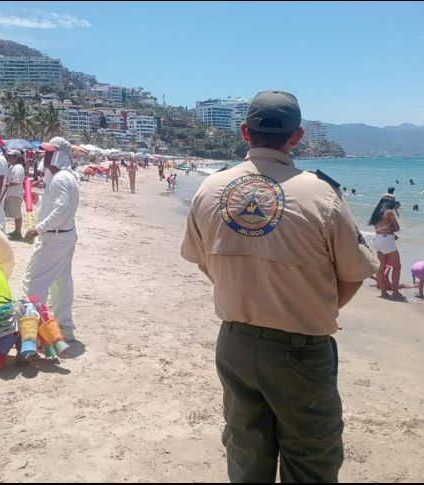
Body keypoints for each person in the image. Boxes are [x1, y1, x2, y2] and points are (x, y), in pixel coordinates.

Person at [181, 90, 378, 483]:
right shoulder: (322, 194)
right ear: (298, 136)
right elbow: (355, 271)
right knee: (311, 458)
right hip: (300, 348)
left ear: (243, 132)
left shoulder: (209, 189)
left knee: (245, 451)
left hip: (235, 341)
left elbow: (204, 262)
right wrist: (313, 307)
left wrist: (244, 292)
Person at [23, 137, 80, 343]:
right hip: (63, 237)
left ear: (59, 155)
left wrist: (38, 228)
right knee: (61, 282)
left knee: (34, 282)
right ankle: (64, 326)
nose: (45, 156)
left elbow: (61, 210)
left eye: (49, 153)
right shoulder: (62, 177)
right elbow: (56, 205)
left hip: (55, 239)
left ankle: (35, 332)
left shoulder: (61, 178)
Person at [370, 195, 405, 300]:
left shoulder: (376, 212)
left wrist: (384, 228)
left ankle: (383, 293)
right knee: (397, 267)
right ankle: (395, 292)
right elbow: (397, 227)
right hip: (387, 241)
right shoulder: (389, 212)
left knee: (380, 269)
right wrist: (389, 228)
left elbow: (377, 227)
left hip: (377, 240)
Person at [3, 149, 25, 240]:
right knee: (14, 213)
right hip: (11, 193)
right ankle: (16, 231)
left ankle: (18, 231)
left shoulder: (18, 167)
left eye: (12, 156)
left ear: (16, 157)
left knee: (17, 214)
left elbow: (16, 181)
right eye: (9, 156)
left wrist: (6, 184)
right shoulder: (13, 166)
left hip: (15, 194)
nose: (9, 157)